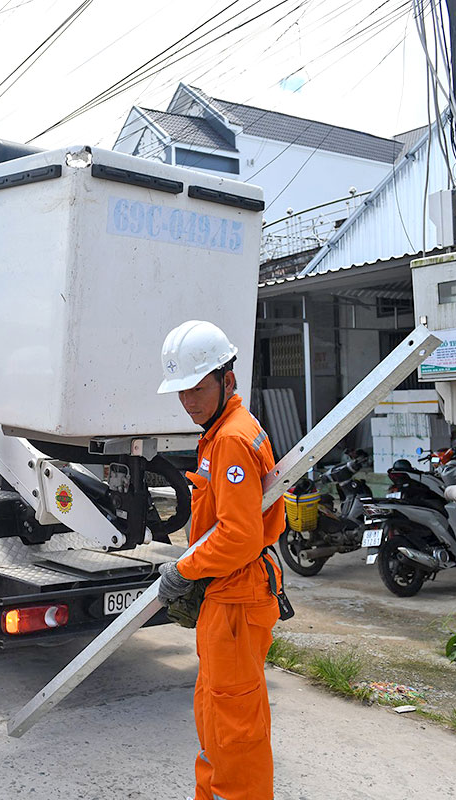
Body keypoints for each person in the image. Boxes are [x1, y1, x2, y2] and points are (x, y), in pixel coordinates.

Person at [154, 320, 289, 800]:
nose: (188, 401)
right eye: (181, 392)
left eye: (197, 388)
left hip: (237, 595)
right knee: (215, 717)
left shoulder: (230, 438)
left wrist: (184, 568)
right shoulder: (222, 431)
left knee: (234, 731)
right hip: (227, 595)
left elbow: (239, 536)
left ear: (227, 380)